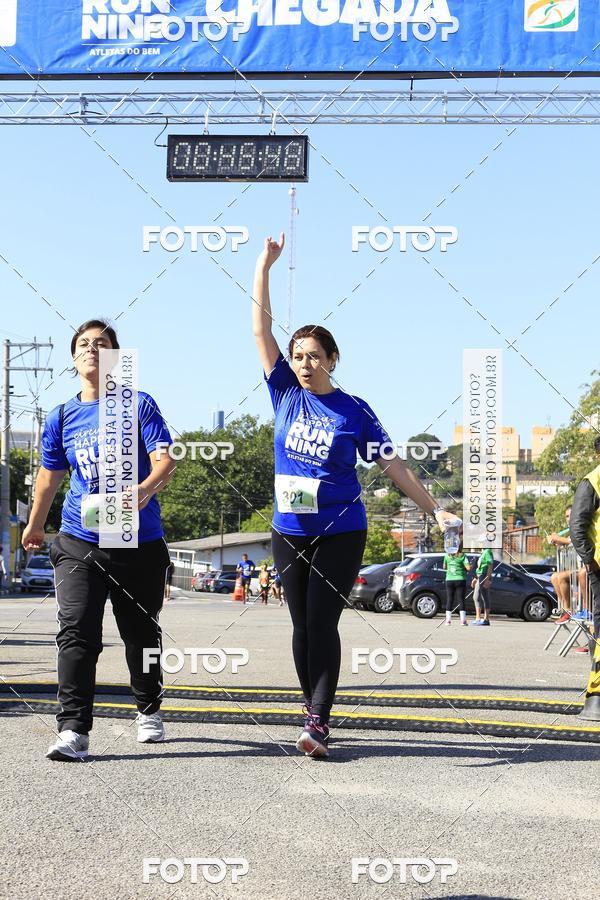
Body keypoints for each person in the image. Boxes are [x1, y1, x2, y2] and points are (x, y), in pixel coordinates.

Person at [252, 232, 460, 758]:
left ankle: (318, 720)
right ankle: (311, 707)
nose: (304, 363)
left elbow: (393, 465)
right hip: (288, 531)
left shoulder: (355, 411)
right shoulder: (284, 393)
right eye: (298, 355)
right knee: (301, 626)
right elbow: (259, 327)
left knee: (323, 620)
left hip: (340, 532)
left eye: (314, 356)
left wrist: (436, 509)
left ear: (333, 360)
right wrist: (264, 266)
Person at [21, 319, 176, 761]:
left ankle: (148, 707)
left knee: (140, 632)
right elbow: (49, 477)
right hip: (79, 537)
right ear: (74, 359)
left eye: (102, 344)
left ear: (114, 358)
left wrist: (143, 491)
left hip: (136, 539)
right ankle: (73, 730)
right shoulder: (62, 416)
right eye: (84, 344)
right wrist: (35, 524)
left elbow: (165, 460)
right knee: (76, 629)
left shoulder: (138, 405)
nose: (92, 349)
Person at [548, 506, 587, 624]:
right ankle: (566, 610)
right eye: (566, 516)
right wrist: (555, 540)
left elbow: (573, 541)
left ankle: (572, 610)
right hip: (582, 569)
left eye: (571, 515)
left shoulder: (583, 527)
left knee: (562, 576)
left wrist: (558, 538)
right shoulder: (573, 530)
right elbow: (566, 541)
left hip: (590, 569)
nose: (568, 519)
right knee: (554, 577)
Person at [443, 544, 471, 625]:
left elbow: (444, 567)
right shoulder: (463, 556)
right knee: (461, 600)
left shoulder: (447, 556)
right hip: (460, 579)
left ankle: (448, 620)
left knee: (449, 599)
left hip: (449, 579)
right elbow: (468, 568)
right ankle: (463, 620)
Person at [471, 547, 493, 625]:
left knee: (481, 596)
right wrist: (476, 578)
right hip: (480, 575)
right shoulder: (483, 552)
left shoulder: (487, 551)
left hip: (484, 575)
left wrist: (487, 579)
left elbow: (490, 566)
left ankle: (483, 619)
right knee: (479, 596)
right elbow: (479, 568)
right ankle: (480, 619)